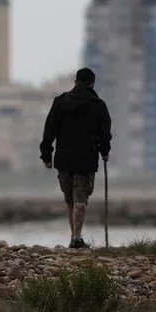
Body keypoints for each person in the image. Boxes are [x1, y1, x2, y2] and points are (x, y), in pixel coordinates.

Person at [39, 67, 112, 249]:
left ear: (75, 82)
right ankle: (76, 238)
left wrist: (46, 154)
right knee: (80, 198)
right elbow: (104, 133)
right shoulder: (98, 105)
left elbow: (49, 130)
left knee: (69, 198)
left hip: (64, 158)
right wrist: (105, 151)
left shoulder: (60, 102)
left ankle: (74, 237)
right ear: (92, 83)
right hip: (85, 158)